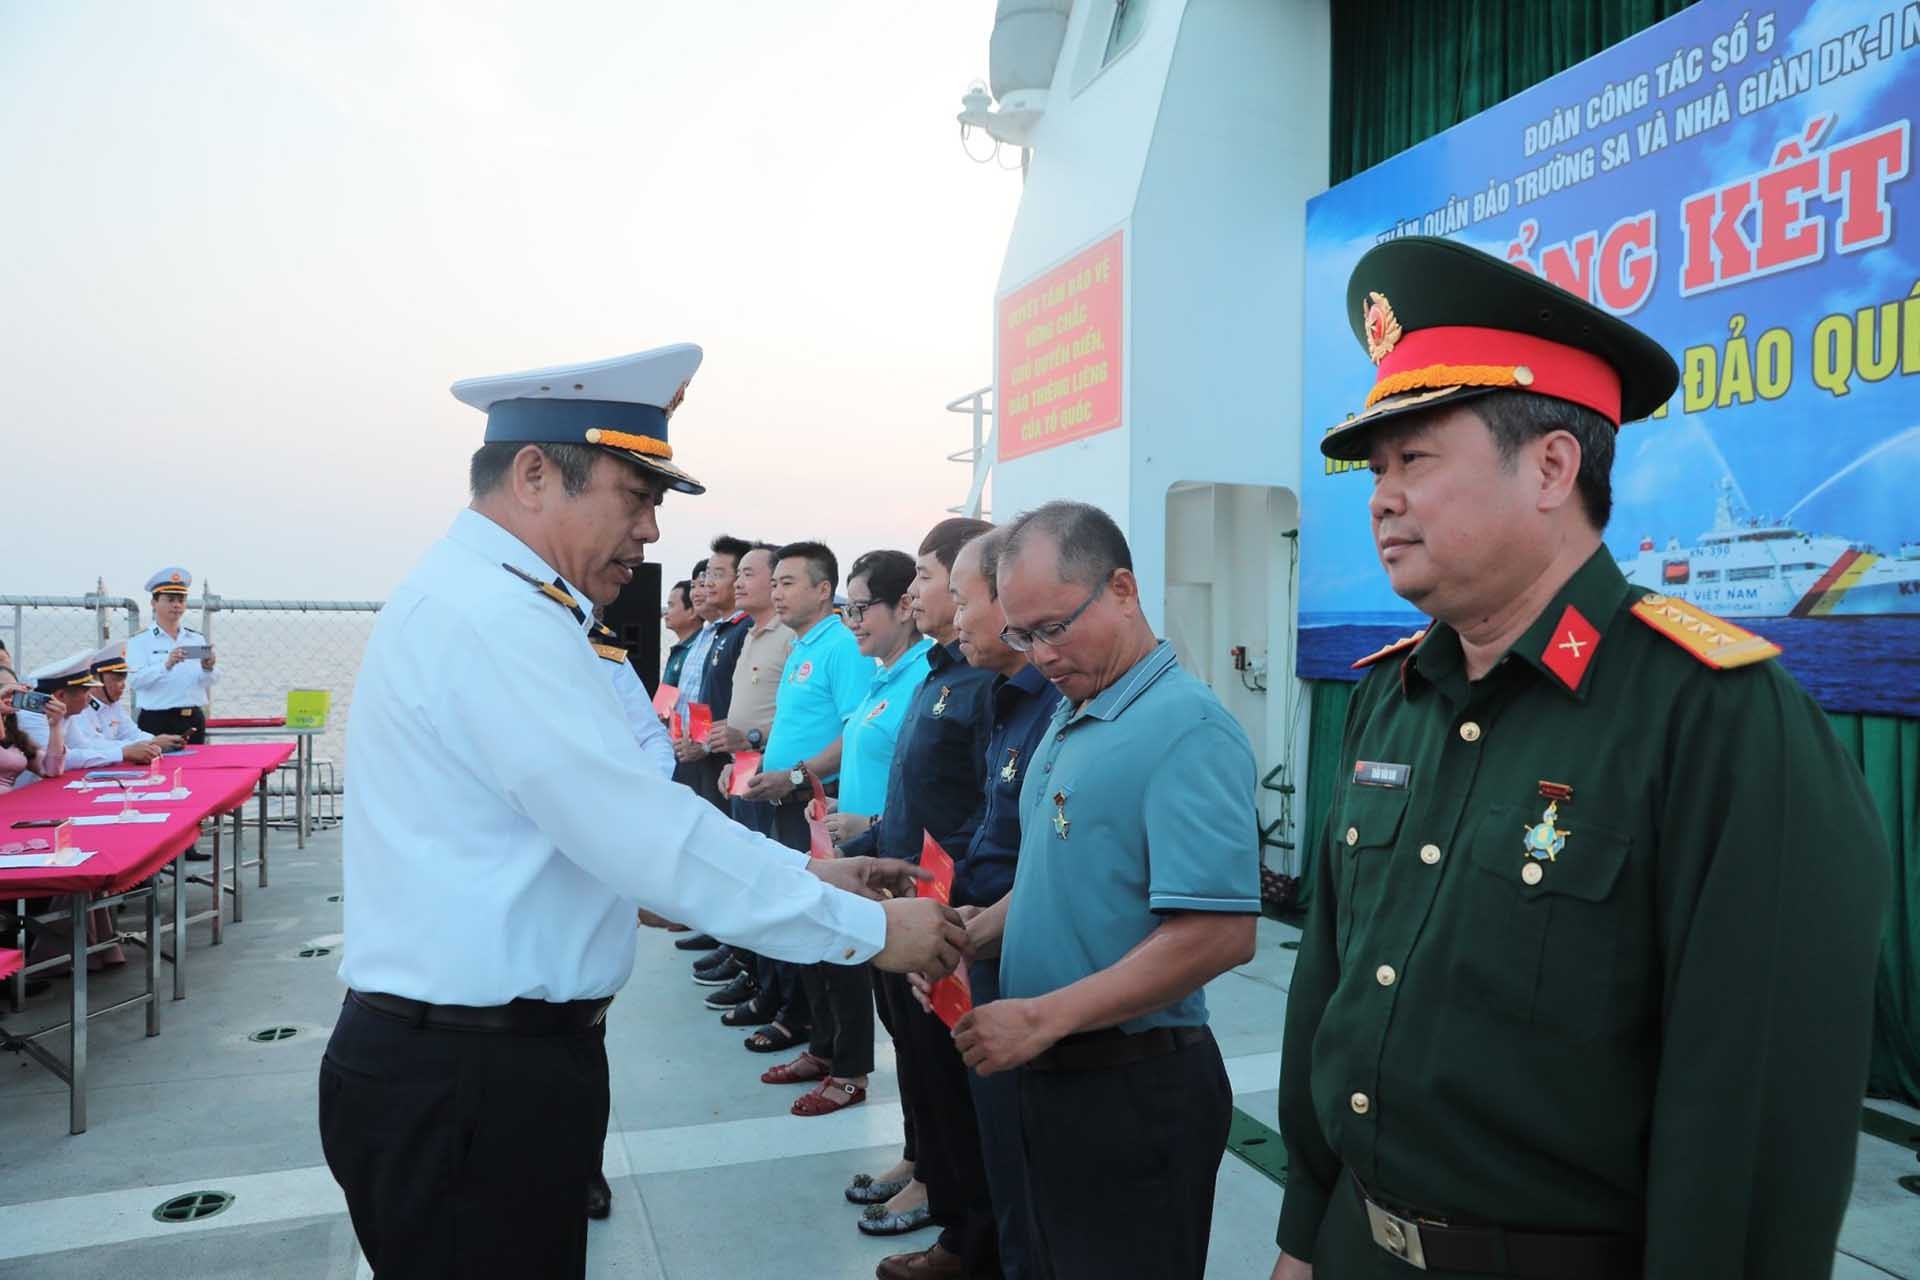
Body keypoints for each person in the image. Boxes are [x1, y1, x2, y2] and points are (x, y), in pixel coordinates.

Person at [1268, 238, 1891, 1280]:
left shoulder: (1718, 715)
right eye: (1374, 470)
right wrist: (1304, 1226)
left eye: (1414, 459)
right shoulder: (1389, 697)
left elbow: (1756, 1110)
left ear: (1552, 465)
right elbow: (1329, 983)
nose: (1380, 497)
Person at [319, 344, 968, 1279]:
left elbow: (613, 840)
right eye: (636, 496)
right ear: (536, 474)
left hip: (485, 1065)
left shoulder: (505, 605)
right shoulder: (494, 623)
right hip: (466, 1078)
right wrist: (866, 927)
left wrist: (810, 873)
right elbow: (643, 839)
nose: (652, 533)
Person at [954, 500, 1259, 1280]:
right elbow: (1067, 871)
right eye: (1023, 634)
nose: (1042, 654)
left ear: (1122, 588)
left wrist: (1042, 1017)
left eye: (1055, 626)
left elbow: (1218, 933)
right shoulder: (1072, 711)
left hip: (1133, 1089)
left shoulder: (1185, 726)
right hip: (1054, 1078)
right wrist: (974, 932)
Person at [839, 517, 998, 1278]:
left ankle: (958, 1219)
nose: (922, 592)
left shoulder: (986, 686)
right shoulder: (939, 673)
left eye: (932, 578)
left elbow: (985, 815)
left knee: (945, 1067)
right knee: (911, 1050)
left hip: (948, 909)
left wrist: (945, 899)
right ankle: (922, 1159)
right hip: (903, 894)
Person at [938, 527, 1062, 1280]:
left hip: (1024, 963)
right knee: (997, 1150)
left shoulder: (1063, 705)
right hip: (981, 943)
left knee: (1030, 1173)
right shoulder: (1011, 701)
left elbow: (1059, 859)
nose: (956, 617)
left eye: (962, 597)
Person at [771, 549, 929, 1117]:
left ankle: (859, 1081)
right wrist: (841, 804)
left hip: (896, 864)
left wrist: (874, 824)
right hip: (854, 849)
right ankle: (835, 1057)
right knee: (845, 962)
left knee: (907, 1018)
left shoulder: (926, 678)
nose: (853, 621)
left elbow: (931, 785)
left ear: (906, 607)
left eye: (863, 609)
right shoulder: (887, 675)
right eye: (850, 609)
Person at [738, 540, 876, 1105]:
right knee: (806, 929)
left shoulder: (840, 645)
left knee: (835, 935)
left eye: (788, 582)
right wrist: (755, 763)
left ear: (824, 590)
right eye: (776, 582)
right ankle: (821, 1043)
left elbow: (854, 732)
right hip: (785, 804)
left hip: (817, 808)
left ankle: (850, 1067)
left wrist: (793, 778)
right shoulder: (800, 647)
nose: (777, 591)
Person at [125, 568, 216, 744]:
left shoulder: (196, 638)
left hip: (193, 717)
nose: (177, 605)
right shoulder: (140, 641)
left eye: (181, 600)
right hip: (157, 719)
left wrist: (208, 668)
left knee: (198, 769)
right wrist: (166, 665)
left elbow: (205, 683)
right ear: (154, 602)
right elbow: (135, 681)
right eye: (170, 600)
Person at [69, 644, 185, 761]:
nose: (123, 685)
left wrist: (154, 740)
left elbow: (131, 732)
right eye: (117, 679)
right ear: (96, 680)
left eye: (124, 678)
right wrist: (150, 743)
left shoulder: (114, 705)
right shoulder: (79, 708)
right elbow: (94, 746)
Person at [660, 578, 700, 690]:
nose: (666, 612)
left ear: (692, 612)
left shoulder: (698, 651)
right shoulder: (680, 649)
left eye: (671, 606)